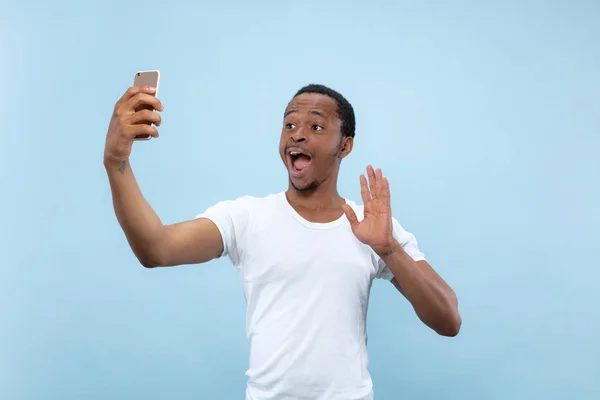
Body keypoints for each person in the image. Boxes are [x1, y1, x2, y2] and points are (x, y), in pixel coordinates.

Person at [104, 83, 462, 400]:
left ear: (345, 145)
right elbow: (157, 249)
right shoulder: (246, 217)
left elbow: (448, 320)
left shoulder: (374, 228)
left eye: (316, 126)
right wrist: (116, 162)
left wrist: (388, 249)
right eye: (289, 124)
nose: (297, 134)